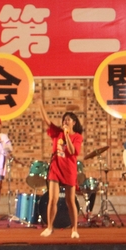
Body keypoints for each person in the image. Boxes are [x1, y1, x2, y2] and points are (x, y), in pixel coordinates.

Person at [37, 101, 83, 238]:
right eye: (64, 120)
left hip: (69, 170)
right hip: (56, 168)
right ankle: (49, 227)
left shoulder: (77, 137)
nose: (65, 121)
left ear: (74, 122)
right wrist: (40, 105)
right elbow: (46, 120)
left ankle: (74, 229)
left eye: (68, 120)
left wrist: (67, 135)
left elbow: (72, 151)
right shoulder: (57, 133)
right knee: (52, 199)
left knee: (70, 201)